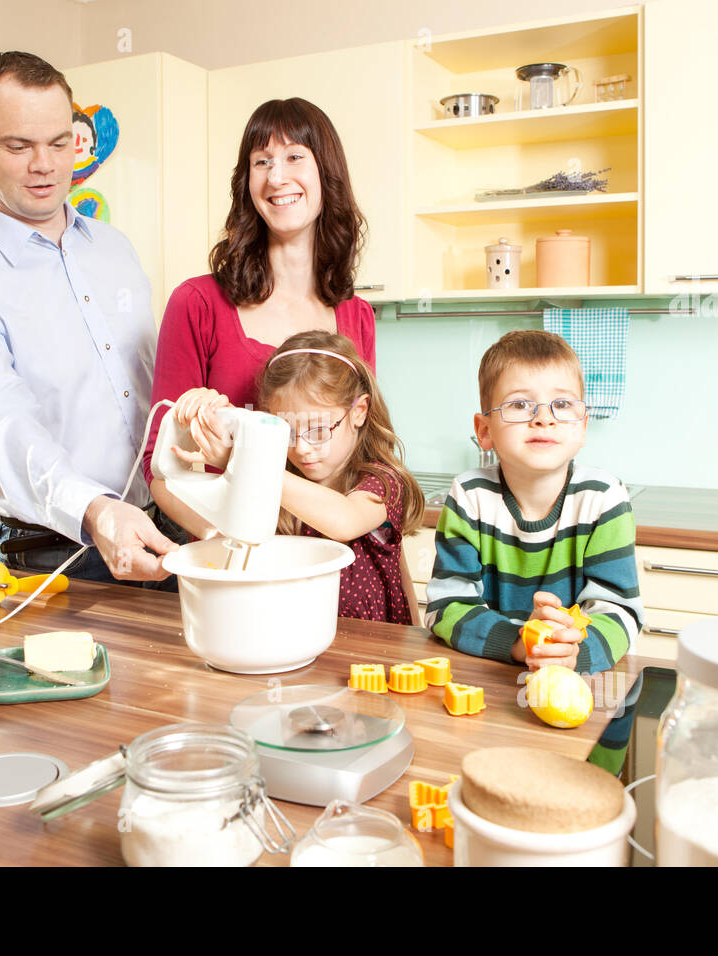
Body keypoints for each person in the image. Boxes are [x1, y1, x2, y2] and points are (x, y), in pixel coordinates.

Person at [0, 51, 180, 583]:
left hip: (161, 528)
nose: (46, 164)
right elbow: (4, 427)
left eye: (60, 143)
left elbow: (157, 391)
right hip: (52, 553)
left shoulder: (115, 249)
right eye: (19, 146)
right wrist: (97, 511)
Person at [145, 98, 377, 540]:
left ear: (326, 174)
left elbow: (363, 451)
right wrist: (234, 544)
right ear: (246, 182)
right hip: (227, 556)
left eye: (294, 157)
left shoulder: (356, 315)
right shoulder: (197, 303)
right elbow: (163, 468)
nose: (276, 176)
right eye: (261, 161)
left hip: (320, 558)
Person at [425, 330, 643, 672]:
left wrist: (574, 654)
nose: (544, 417)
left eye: (563, 404)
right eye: (519, 405)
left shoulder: (603, 498)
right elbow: (446, 606)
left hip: (577, 683)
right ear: (484, 431)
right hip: (488, 676)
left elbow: (620, 611)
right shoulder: (469, 496)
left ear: (583, 427)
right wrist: (519, 642)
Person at [171, 331, 424, 625]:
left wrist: (247, 460)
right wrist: (201, 421)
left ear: (359, 412)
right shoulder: (276, 486)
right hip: (298, 641)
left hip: (372, 653)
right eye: (288, 432)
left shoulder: (383, 481)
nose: (302, 448)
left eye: (318, 430)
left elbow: (345, 520)